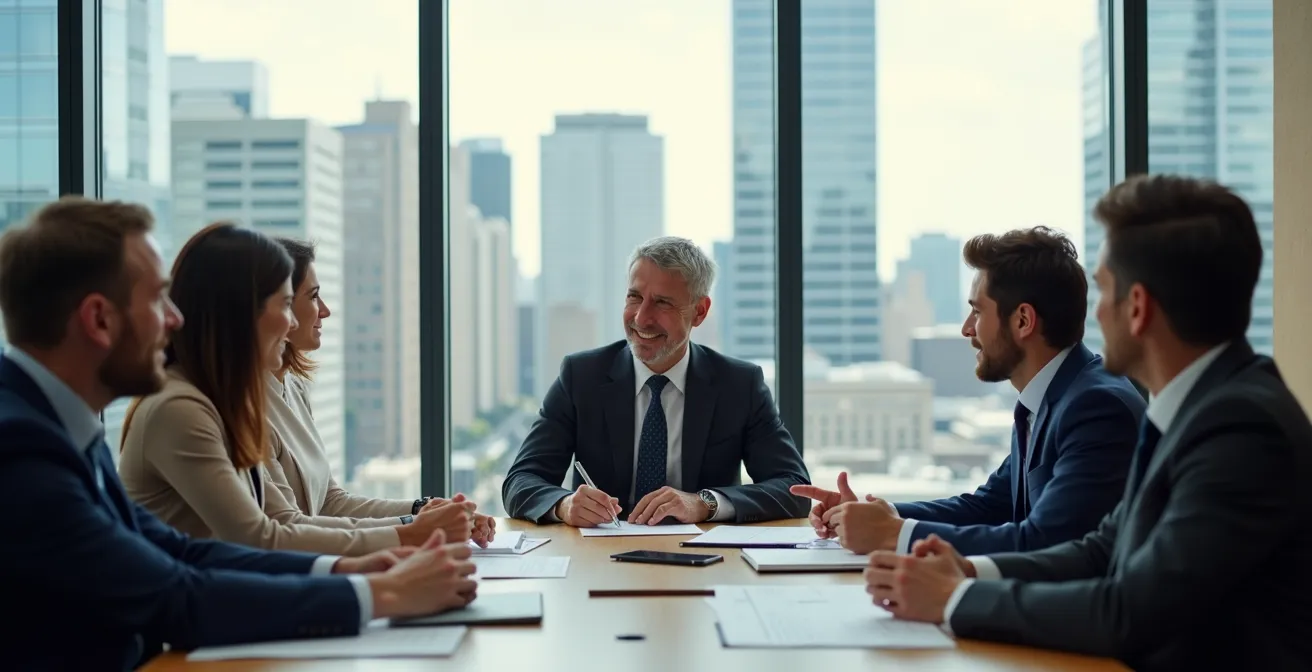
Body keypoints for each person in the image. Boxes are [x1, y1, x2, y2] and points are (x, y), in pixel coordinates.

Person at [0, 198, 477, 671]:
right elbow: (177, 594)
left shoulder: (63, 429)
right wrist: (381, 592)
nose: (174, 318)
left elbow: (180, 550)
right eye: (156, 299)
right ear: (99, 319)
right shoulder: (22, 454)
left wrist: (346, 570)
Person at [865, 175, 1312, 670]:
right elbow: (1102, 550)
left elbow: (1130, 611)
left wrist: (953, 599)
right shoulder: (1199, 408)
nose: (1093, 312)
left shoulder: (1240, 429)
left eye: (1102, 290)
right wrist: (966, 570)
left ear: (1137, 307)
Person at [119, 222, 473, 556]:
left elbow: (299, 513)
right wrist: (411, 531)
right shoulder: (181, 410)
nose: (291, 323)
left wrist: (419, 518)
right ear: (242, 313)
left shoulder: (226, 403)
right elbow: (264, 535)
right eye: (287, 304)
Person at [794, 226, 1144, 556]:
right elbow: (991, 505)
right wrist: (881, 513)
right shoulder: (1049, 397)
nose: (966, 329)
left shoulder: (1096, 407)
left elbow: (1047, 541)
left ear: (1023, 320)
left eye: (977, 311)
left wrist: (891, 533)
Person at [502, 236, 810, 526]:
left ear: (699, 311)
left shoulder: (739, 385)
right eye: (635, 297)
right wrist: (565, 505)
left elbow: (794, 488)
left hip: (706, 563)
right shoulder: (581, 377)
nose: (641, 318)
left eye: (662, 303)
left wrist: (704, 503)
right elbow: (521, 480)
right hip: (598, 558)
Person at [266, 237, 494, 545]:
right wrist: (417, 527)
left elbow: (330, 502)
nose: (325, 311)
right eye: (314, 297)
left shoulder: (293, 387)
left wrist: (424, 510)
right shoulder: (249, 408)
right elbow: (289, 527)